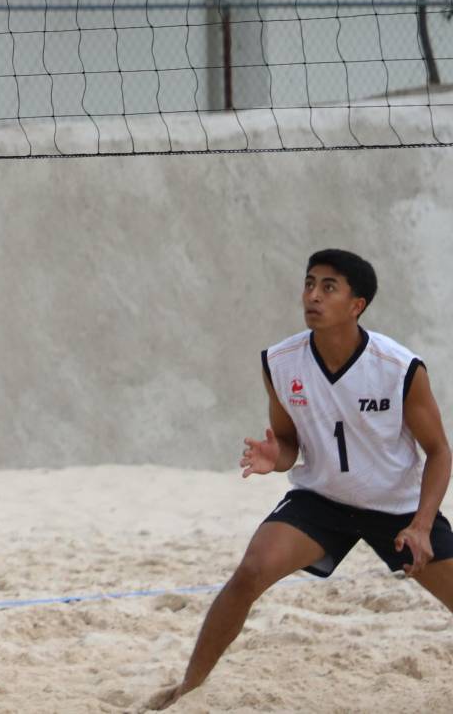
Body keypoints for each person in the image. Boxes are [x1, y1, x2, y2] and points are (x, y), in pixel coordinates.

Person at [146, 249, 453, 709]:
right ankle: (188, 688)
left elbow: (439, 452)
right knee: (250, 571)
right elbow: (289, 442)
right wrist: (278, 456)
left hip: (397, 509)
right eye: (309, 283)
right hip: (322, 501)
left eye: (329, 287)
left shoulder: (399, 368)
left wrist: (423, 524)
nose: (312, 295)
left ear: (357, 304)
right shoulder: (281, 361)